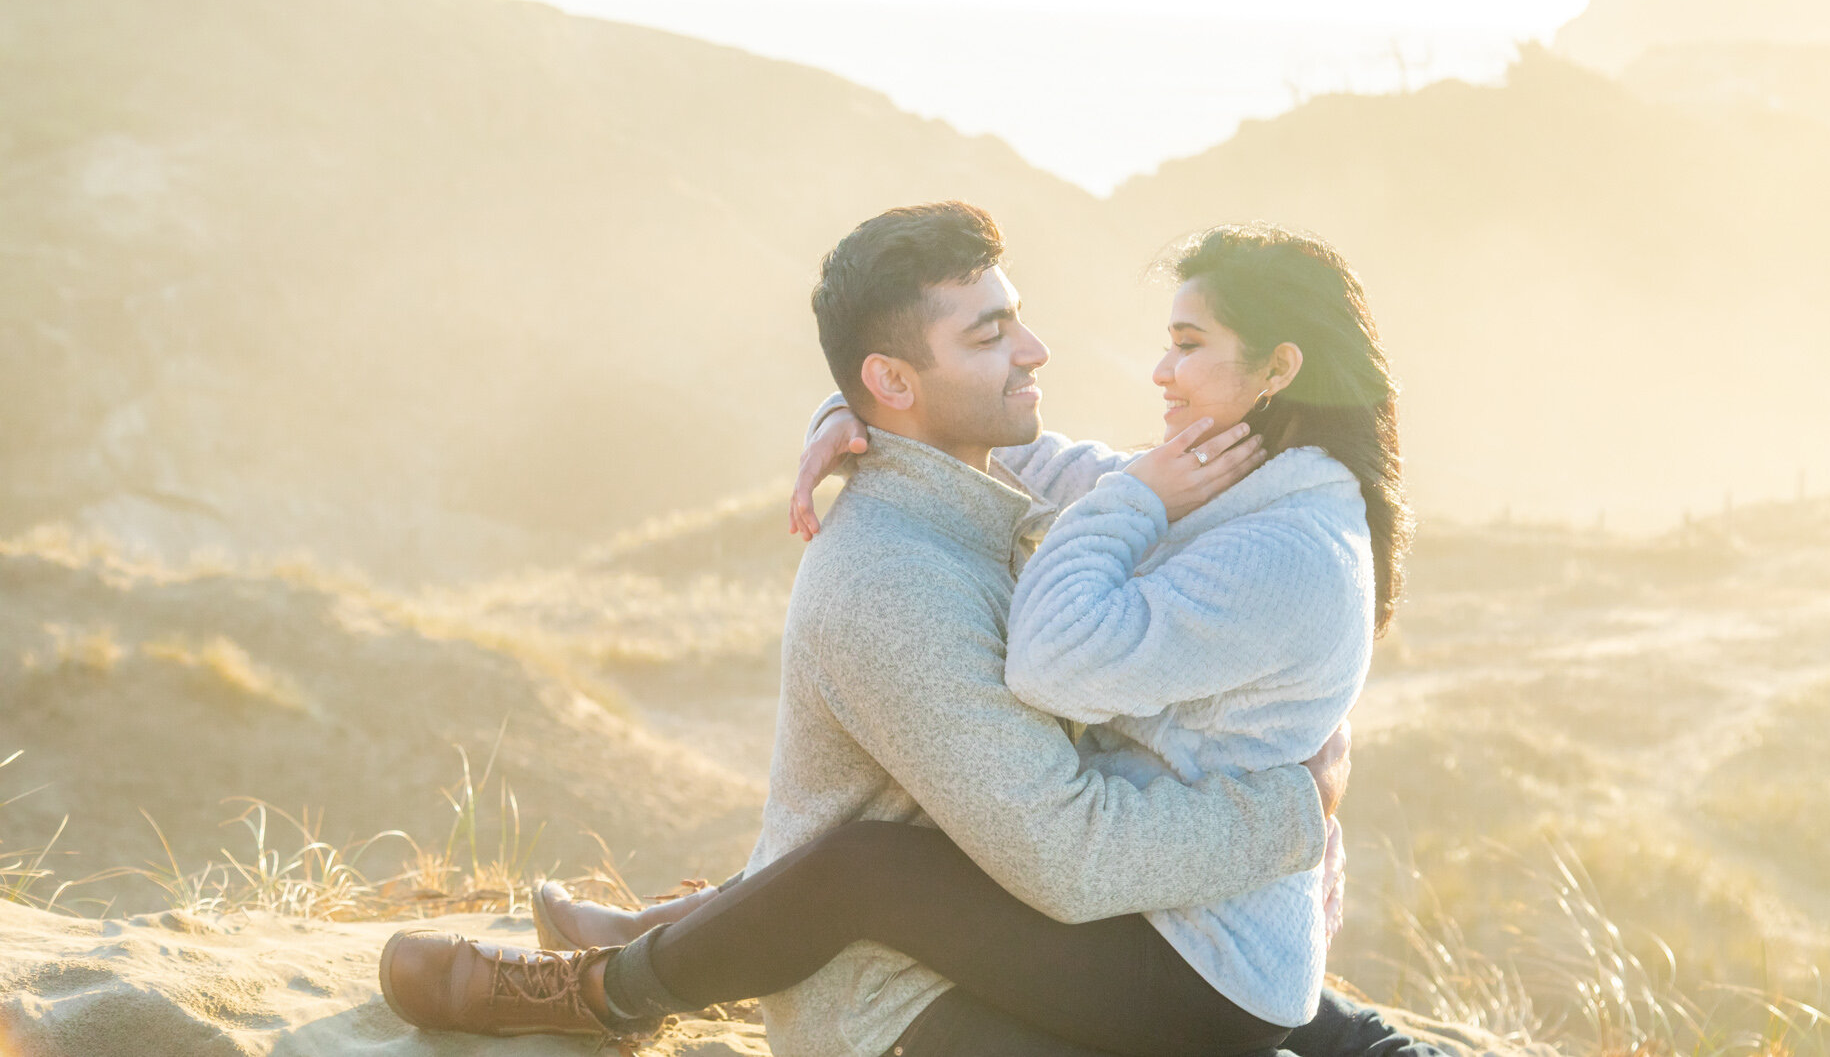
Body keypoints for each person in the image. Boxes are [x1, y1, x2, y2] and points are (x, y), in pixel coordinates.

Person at [377, 202, 1441, 1057]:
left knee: (872, 867)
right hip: (1165, 932)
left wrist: (1294, 813)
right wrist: (850, 414)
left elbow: (1066, 696)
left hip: (1186, 954)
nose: (1043, 349)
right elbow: (1085, 477)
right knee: (895, 852)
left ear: (1278, 370)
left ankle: (611, 984)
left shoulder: (1275, 536)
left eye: (1185, 343)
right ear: (895, 377)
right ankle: (638, 955)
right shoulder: (1239, 485)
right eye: (991, 331)